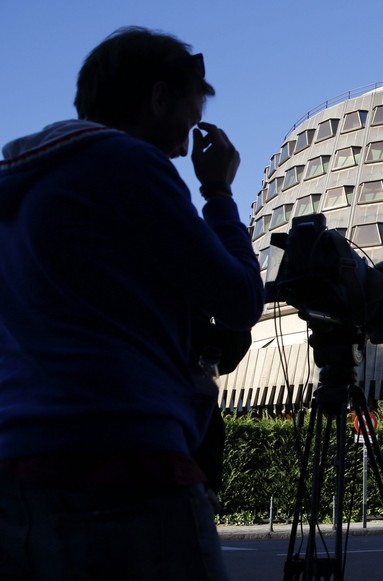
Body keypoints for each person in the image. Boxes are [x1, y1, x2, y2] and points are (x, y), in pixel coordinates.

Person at [0, 27, 264, 579]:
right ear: (159, 97)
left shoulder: (22, 191)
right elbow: (239, 299)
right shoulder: (128, 164)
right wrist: (218, 192)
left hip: (21, 462)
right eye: (191, 118)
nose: (189, 138)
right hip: (127, 454)